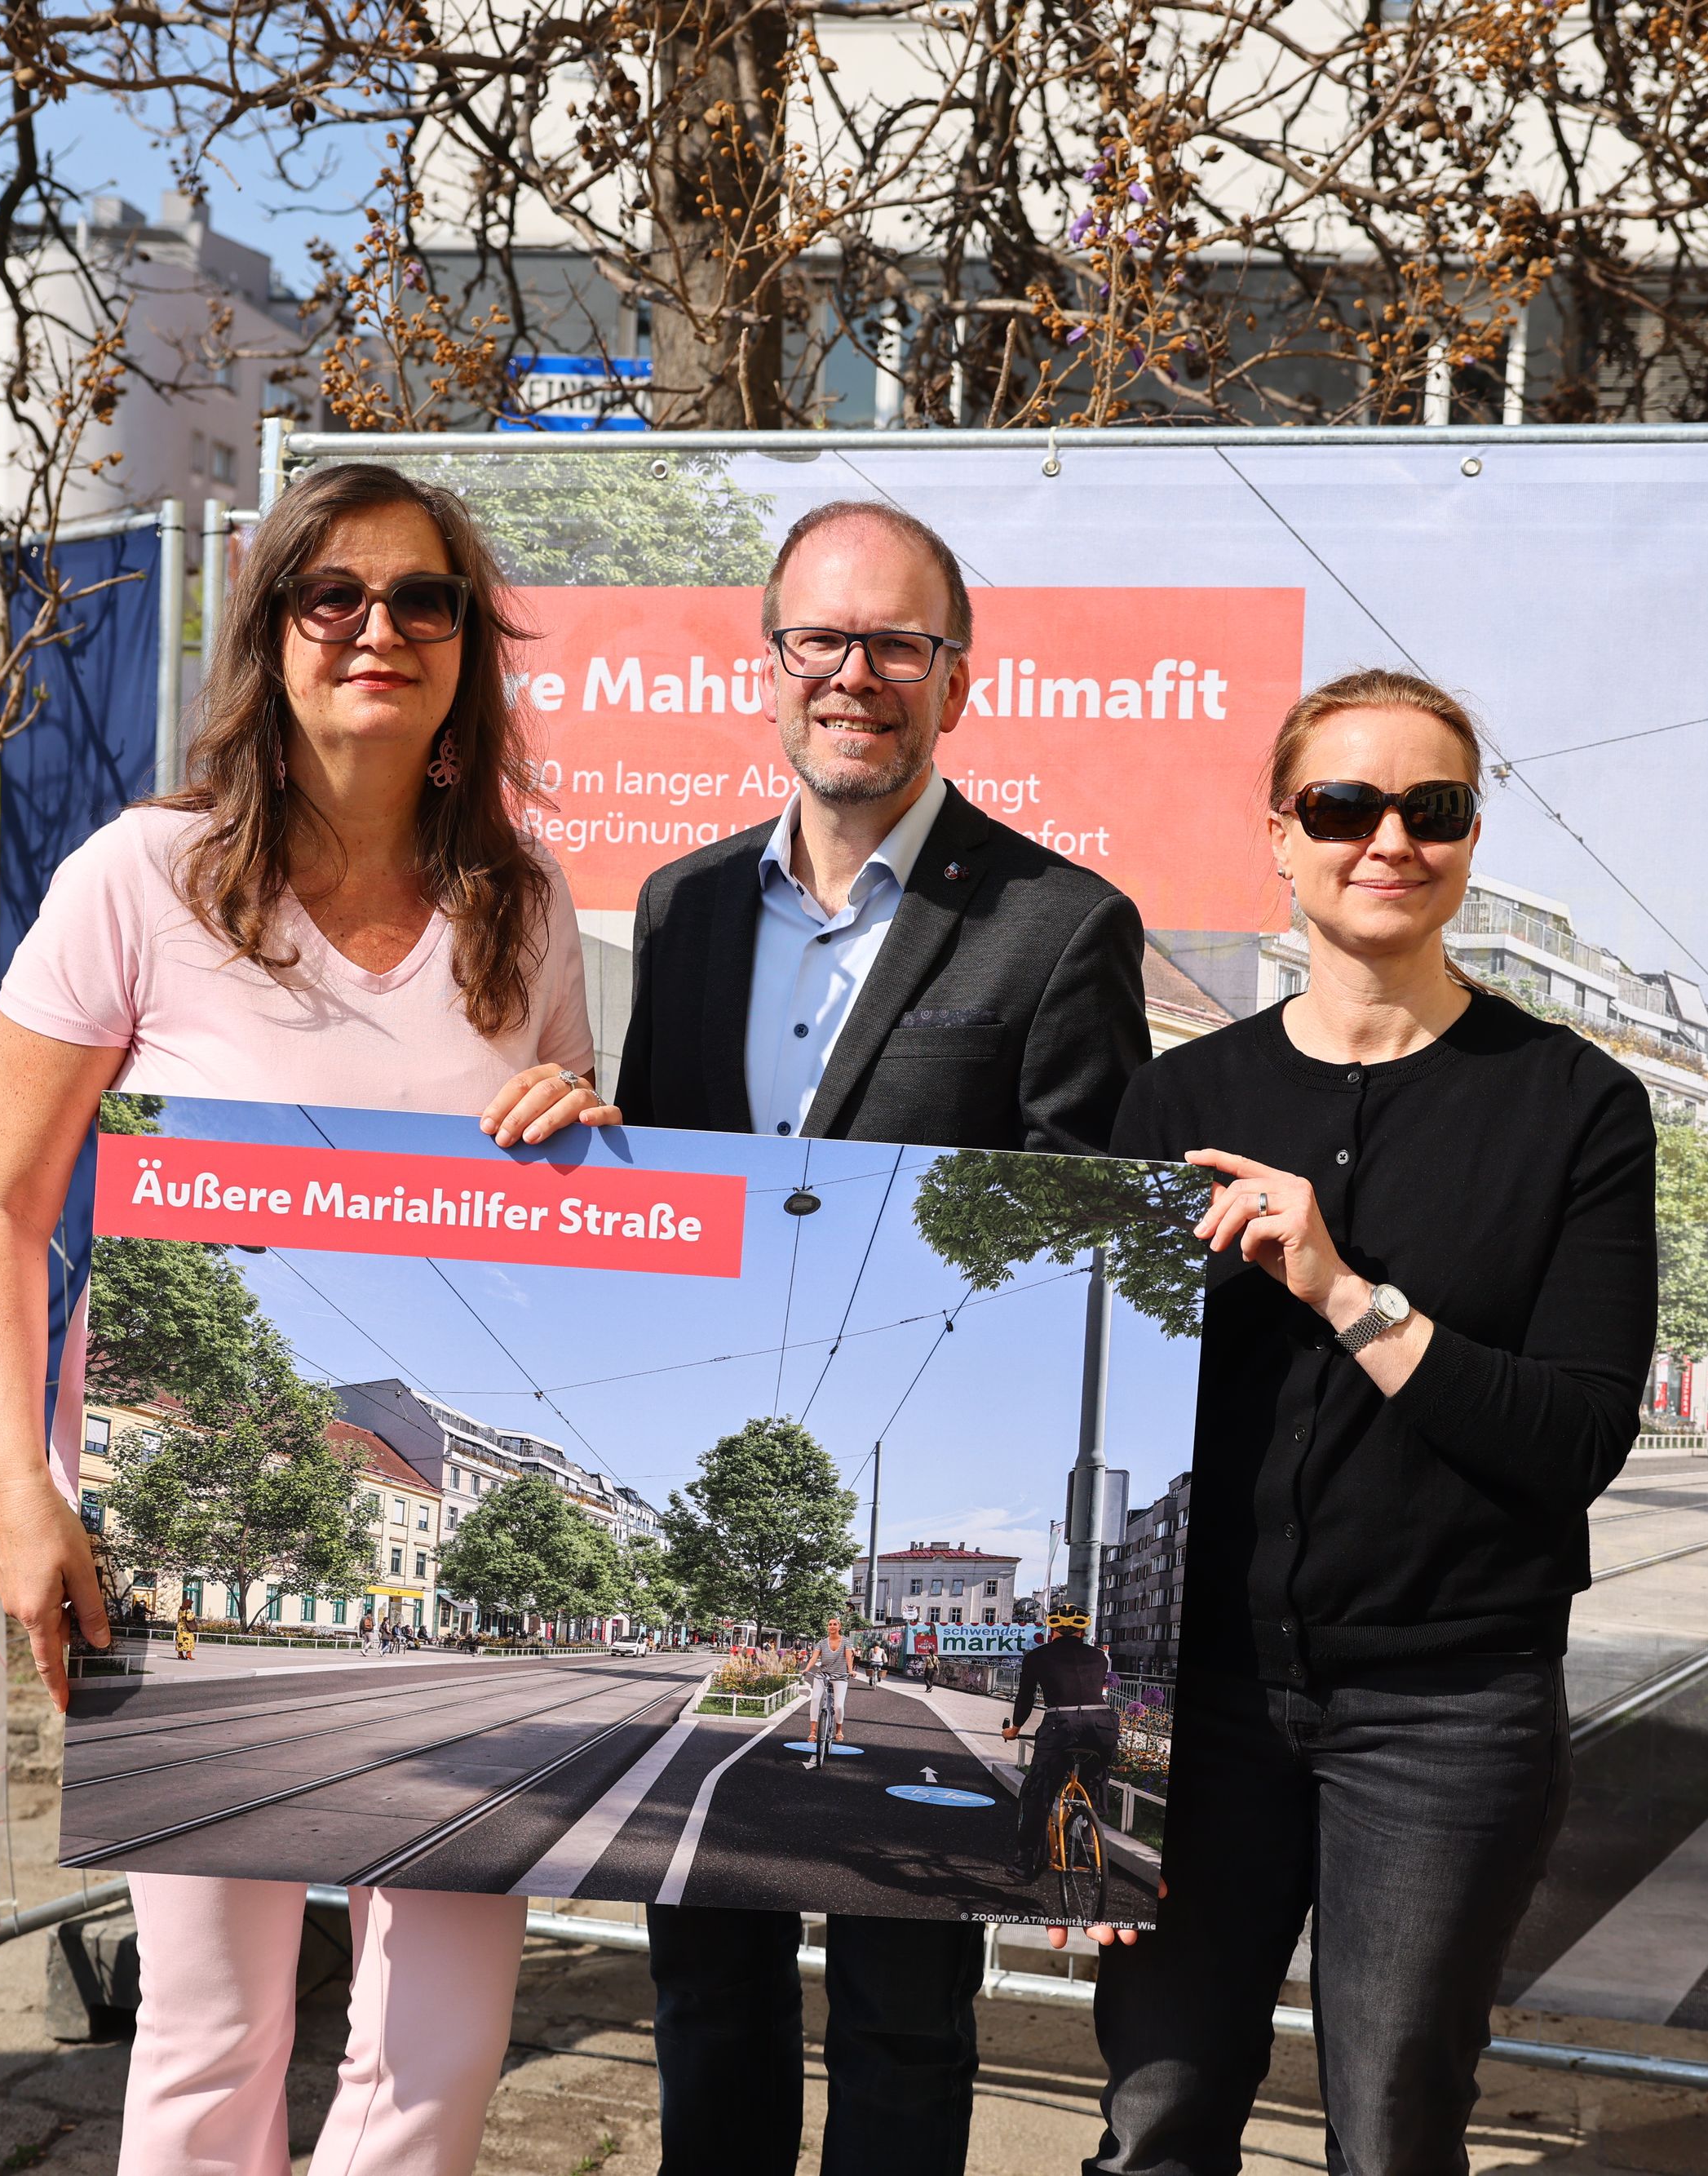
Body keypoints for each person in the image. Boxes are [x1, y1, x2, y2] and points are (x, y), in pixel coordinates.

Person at [0, 459, 595, 2176]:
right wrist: (26, 1494)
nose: (377, 628)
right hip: (173, 1534)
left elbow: (569, 1222)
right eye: (334, 596)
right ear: (270, 633)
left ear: (468, 647)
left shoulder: (522, 912)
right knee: (210, 2024)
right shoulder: (139, 879)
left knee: (440, 2037)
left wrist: (574, 1129)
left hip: (449, 1588)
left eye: (422, 599)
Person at [498, 498, 1150, 2176]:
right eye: (821, 640)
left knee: (903, 2012)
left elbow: (1068, 1232)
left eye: (896, 644)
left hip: (906, 1445)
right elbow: (669, 1198)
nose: (853, 674)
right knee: (704, 1990)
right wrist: (588, 1139)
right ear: (768, 661)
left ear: (955, 675)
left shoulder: (1055, 925)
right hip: (732, 1464)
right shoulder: (687, 905)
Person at [1091, 667, 1658, 2176]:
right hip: (1196, 1710)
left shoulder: (1575, 1104)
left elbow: (1574, 1438)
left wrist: (1346, 1288)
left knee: (1394, 2131)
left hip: (1445, 1711)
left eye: (1434, 807)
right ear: (1280, 834)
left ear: (1473, 839)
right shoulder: (1175, 1100)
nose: (1387, 838)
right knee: (1152, 2119)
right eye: (1344, 805)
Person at [1001, 1608, 1119, 1882]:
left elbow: (1026, 1699)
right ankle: (1088, 1835)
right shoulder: (1099, 1657)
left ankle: (1023, 1865)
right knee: (1096, 1777)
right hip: (1102, 1725)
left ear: (1052, 1631)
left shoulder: (1037, 1657)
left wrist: (1014, 1729)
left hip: (1060, 1726)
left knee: (1038, 1793)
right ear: (1083, 1631)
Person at [803, 1615, 856, 1752]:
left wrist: (850, 1671)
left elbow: (849, 1657)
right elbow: (814, 1658)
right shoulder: (821, 1642)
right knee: (815, 1699)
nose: (832, 1626)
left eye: (835, 1624)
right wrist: (807, 1669)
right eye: (830, 1624)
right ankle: (813, 1732)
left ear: (840, 1627)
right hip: (823, 1674)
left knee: (838, 1705)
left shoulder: (846, 1642)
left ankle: (839, 1730)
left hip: (840, 1676)